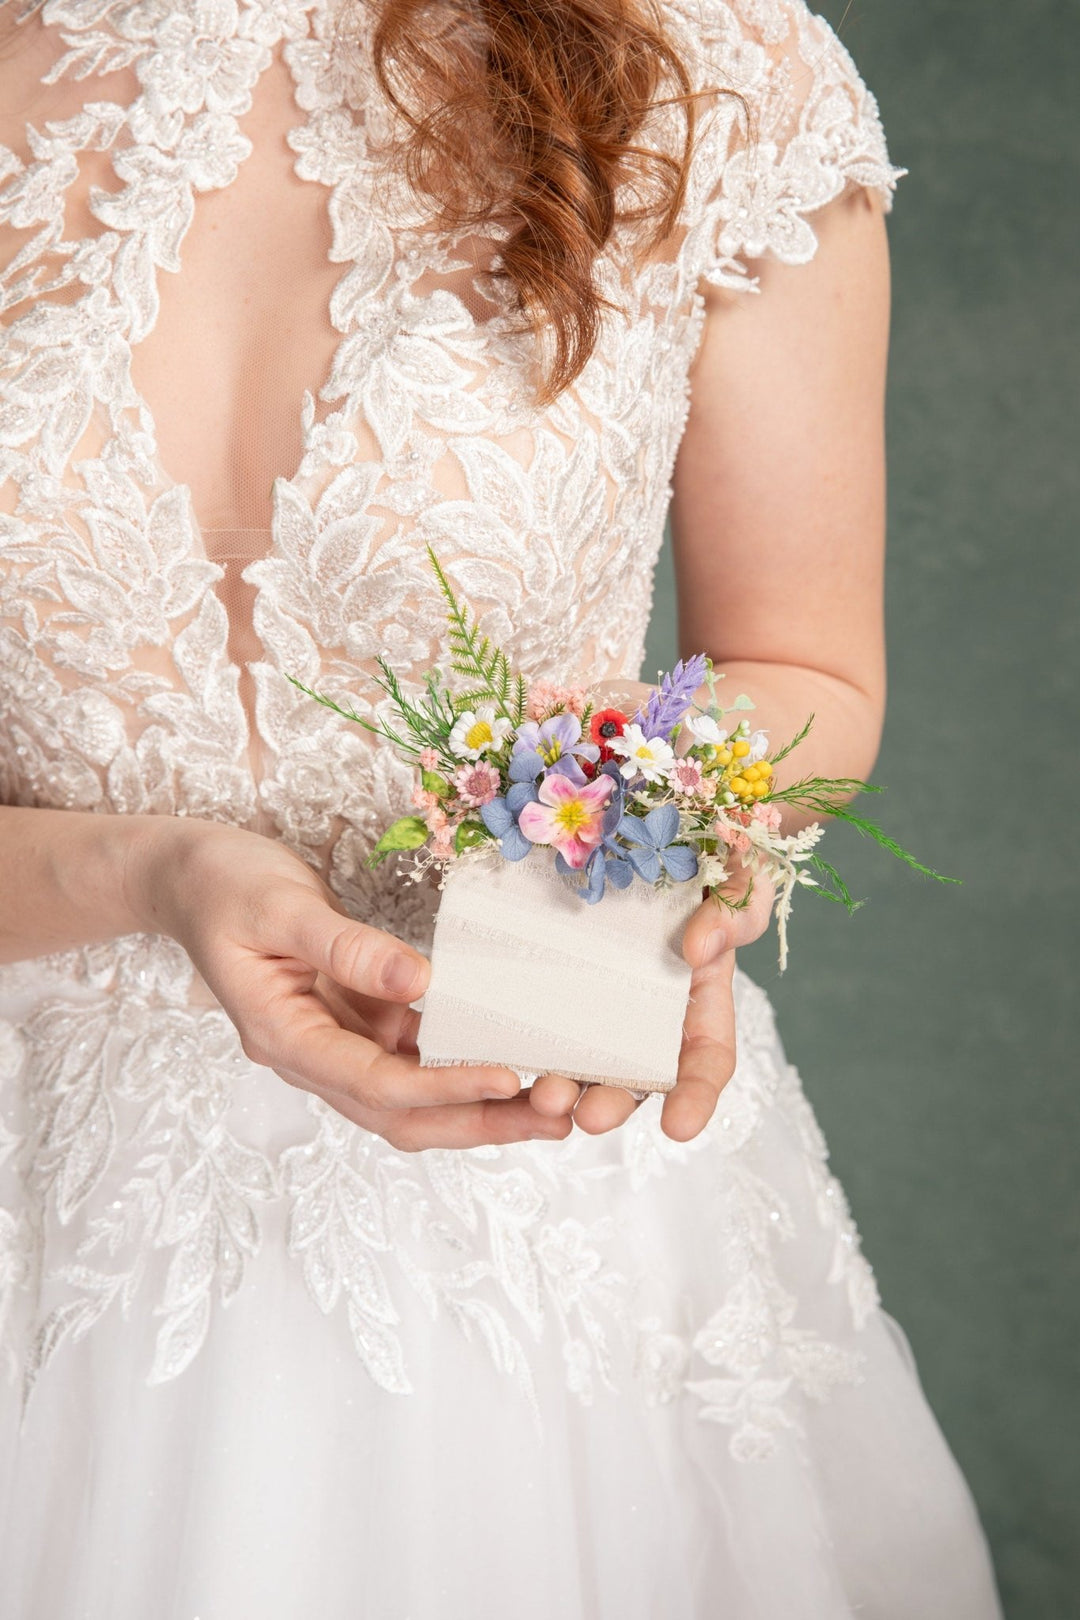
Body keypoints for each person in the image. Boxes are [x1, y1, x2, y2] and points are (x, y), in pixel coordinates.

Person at [0, 1, 1003, 1615]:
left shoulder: (718, 73)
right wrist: (154, 869)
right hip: (43, 1213)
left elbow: (800, 663)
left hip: (538, 1164)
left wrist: (637, 839)